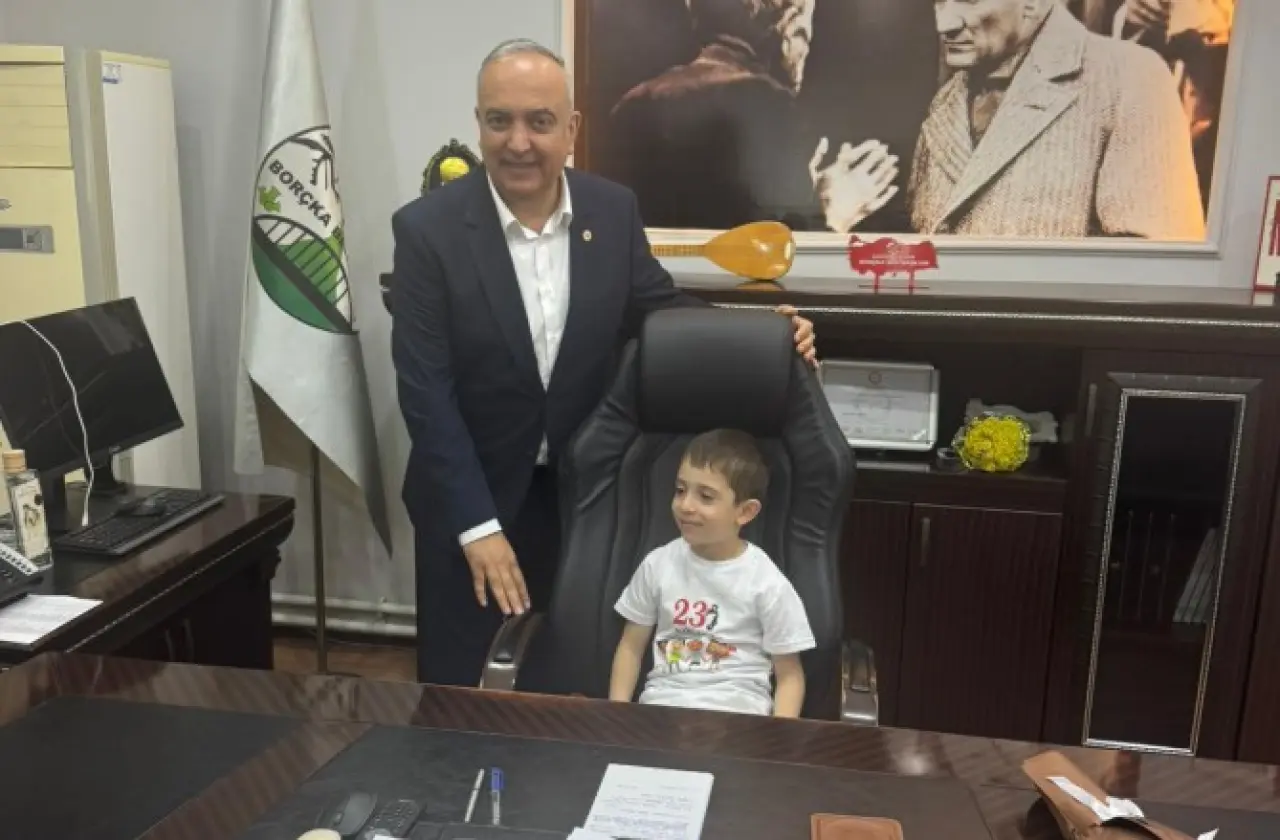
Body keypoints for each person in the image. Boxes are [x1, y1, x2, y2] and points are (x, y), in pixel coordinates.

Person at [389, 39, 817, 686]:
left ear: (571, 129)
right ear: (478, 123)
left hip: (583, 497)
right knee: (465, 689)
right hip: (470, 496)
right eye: (500, 120)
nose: (518, 142)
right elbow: (426, 393)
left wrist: (767, 336)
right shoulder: (427, 230)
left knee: (572, 679)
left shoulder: (611, 212)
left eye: (539, 121)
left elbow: (658, 309)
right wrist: (477, 528)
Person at [907, 0, 1204, 239]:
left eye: (969, 0)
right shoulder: (945, 103)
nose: (944, 24)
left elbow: (1154, 268)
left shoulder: (1129, 77)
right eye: (939, 1)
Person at [600, 0, 898, 233]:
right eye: (804, 33)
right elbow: (773, 265)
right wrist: (832, 214)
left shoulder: (631, 104)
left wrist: (807, 195)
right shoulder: (767, 101)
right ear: (788, 24)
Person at [609, 429, 815, 717]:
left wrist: (779, 737)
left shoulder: (767, 582)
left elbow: (790, 676)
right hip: (663, 710)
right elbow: (631, 647)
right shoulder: (658, 564)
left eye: (705, 497)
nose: (685, 506)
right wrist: (616, 717)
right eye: (680, 490)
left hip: (739, 715)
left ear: (745, 512)